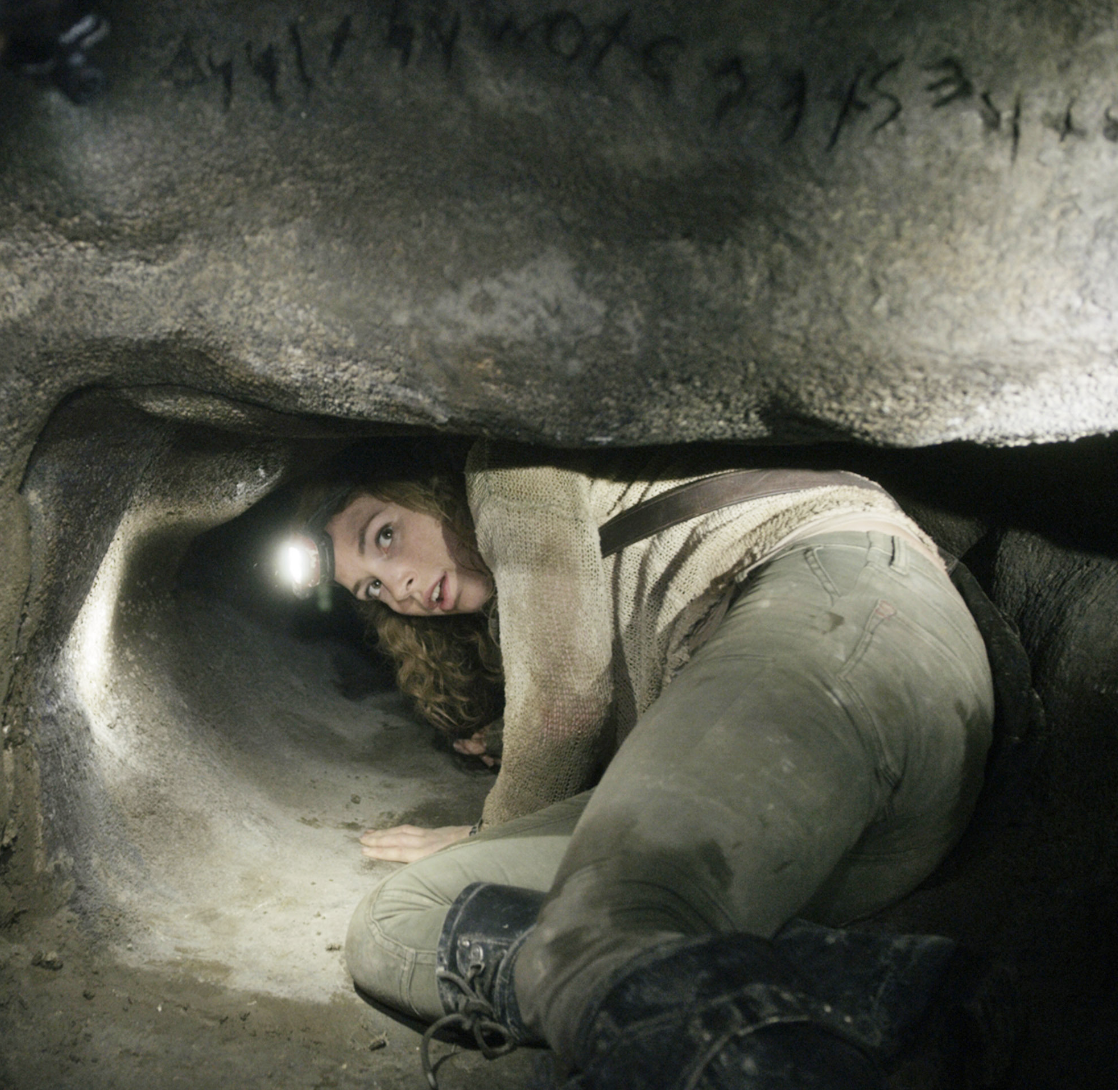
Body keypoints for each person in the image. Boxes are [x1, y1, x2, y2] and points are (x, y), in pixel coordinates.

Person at [285, 438, 1014, 1089]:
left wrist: (494, 825)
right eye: (371, 589)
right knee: (396, 922)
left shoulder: (509, 464)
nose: (398, 588)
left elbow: (566, 701)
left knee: (616, 922)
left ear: (427, 489)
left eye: (385, 537)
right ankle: (876, 988)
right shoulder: (525, 595)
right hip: (833, 846)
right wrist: (508, 755)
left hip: (844, 618)